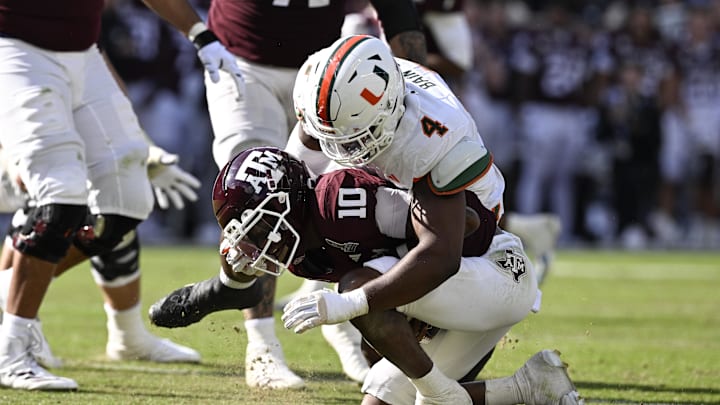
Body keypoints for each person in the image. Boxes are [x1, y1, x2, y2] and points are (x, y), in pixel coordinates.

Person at [140, 0, 428, 389]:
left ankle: (338, 309)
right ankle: (261, 347)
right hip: (241, 61)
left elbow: (398, 12)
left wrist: (418, 84)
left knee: (345, 195)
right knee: (258, 198)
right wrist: (198, 32)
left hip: (326, 71)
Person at [284, 34, 583, 404]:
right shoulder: (332, 84)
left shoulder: (433, 138)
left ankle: (442, 393)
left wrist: (355, 303)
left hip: (482, 258)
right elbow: (298, 162)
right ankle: (528, 387)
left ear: (389, 107)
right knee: (384, 394)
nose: (344, 151)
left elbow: (442, 253)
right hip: (448, 252)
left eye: (355, 137)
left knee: (363, 284)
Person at [0, 142, 202, 369]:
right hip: (16, 149)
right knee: (64, 196)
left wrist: (140, 151)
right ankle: (12, 305)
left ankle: (128, 335)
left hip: (37, 147)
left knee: (118, 205)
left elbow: (105, 112)